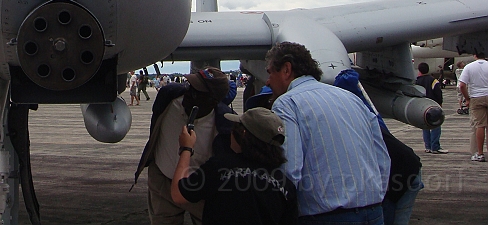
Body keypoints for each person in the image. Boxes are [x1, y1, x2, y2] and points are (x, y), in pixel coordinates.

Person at [266, 43, 390, 224]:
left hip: (325, 215)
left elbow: (290, 170)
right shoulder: (352, 98)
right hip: (373, 210)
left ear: (286, 69)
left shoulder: (287, 103)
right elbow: (383, 159)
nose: (268, 81)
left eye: (270, 72)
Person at [169, 107, 297, 225]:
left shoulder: (219, 167)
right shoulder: (286, 186)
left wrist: (186, 148)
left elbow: (178, 194)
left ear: (243, 135)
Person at [135, 66, 230, 224]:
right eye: (189, 86)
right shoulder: (169, 97)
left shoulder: (225, 125)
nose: (187, 93)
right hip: (163, 181)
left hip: (200, 191)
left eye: (195, 92)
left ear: (212, 101)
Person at [333, 69, 422, 225]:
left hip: (402, 174)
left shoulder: (355, 117)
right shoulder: (367, 110)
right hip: (407, 168)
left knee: (390, 217)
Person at [458, 50, 488, 161]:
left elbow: (462, 85)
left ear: (474, 55)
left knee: (479, 125)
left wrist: (467, 98)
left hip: (476, 97)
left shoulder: (469, 67)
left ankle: (479, 153)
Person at [414, 63, 446, 153]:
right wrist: (440, 102)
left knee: (425, 126)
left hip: (422, 106)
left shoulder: (417, 81)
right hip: (433, 105)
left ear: (419, 70)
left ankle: (427, 146)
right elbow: (438, 92)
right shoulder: (433, 80)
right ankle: (435, 146)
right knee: (436, 125)